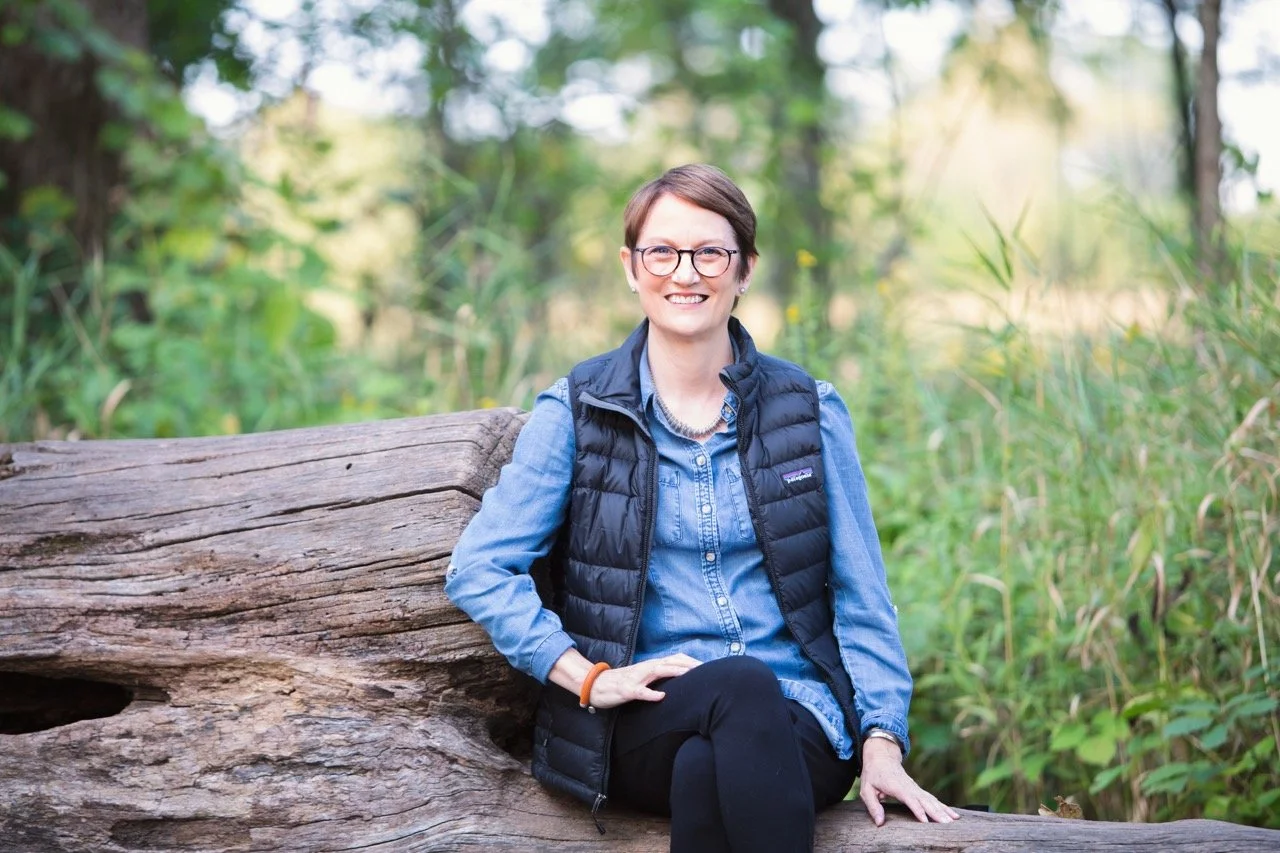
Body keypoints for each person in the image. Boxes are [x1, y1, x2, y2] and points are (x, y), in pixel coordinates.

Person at [445, 163, 957, 852]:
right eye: (663, 251)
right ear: (631, 267)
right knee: (733, 694)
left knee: (707, 765)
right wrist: (588, 677)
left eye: (710, 252)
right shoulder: (579, 410)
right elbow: (479, 567)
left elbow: (862, 596)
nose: (685, 272)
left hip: (799, 716)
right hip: (642, 714)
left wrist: (882, 741)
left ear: (744, 269)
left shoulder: (807, 411)